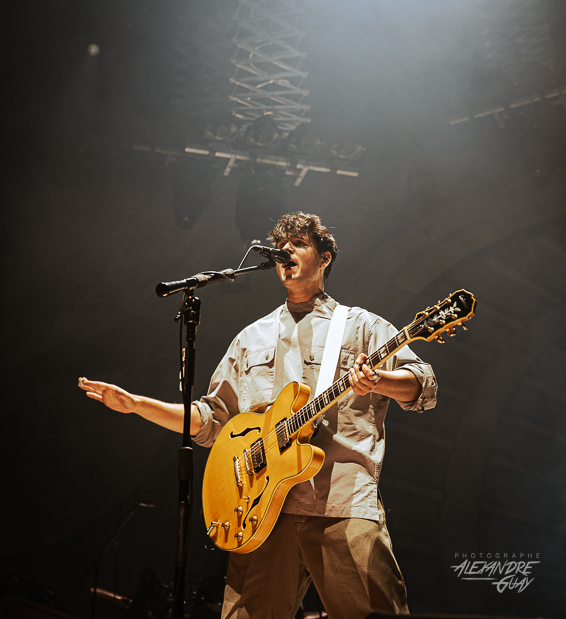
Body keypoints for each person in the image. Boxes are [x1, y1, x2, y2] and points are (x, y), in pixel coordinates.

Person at [79, 212, 437, 618]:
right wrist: (137, 405)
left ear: (325, 257)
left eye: (299, 244)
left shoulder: (361, 326)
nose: (287, 253)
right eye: (282, 246)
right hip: (262, 509)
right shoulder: (252, 338)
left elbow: (423, 384)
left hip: (339, 502)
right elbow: (212, 420)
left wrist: (379, 381)